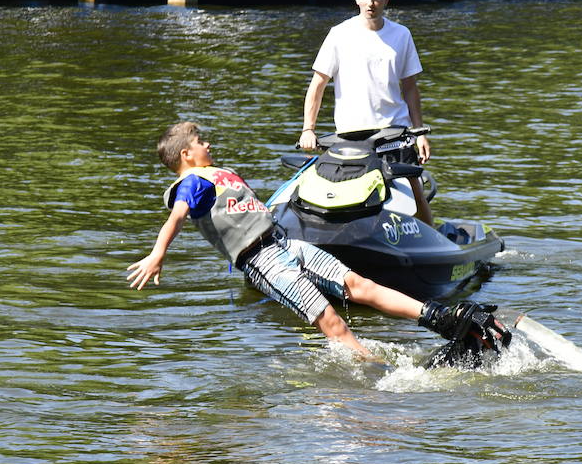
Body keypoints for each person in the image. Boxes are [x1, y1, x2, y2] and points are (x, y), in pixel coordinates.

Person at [126, 121, 507, 360]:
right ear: (186, 153)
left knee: (359, 285)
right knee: (330, 320)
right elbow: (175, 217)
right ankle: (380, 375)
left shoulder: (216, 173)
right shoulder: (190, 183)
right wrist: (157, 255)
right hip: (263, 263)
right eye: (200, 140)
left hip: (283, 245)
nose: (207, 143)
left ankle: (438, 318)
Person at [298, 0, 434, 226]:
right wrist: (308, 129)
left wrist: (420, 133)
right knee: (347, 199)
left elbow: (410, 88)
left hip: (395, 133)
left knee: (415, 194)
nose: (370, 3)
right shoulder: (339, 34)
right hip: (351, 137)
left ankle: (437, 248)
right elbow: (317, 85)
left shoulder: (401, 35)